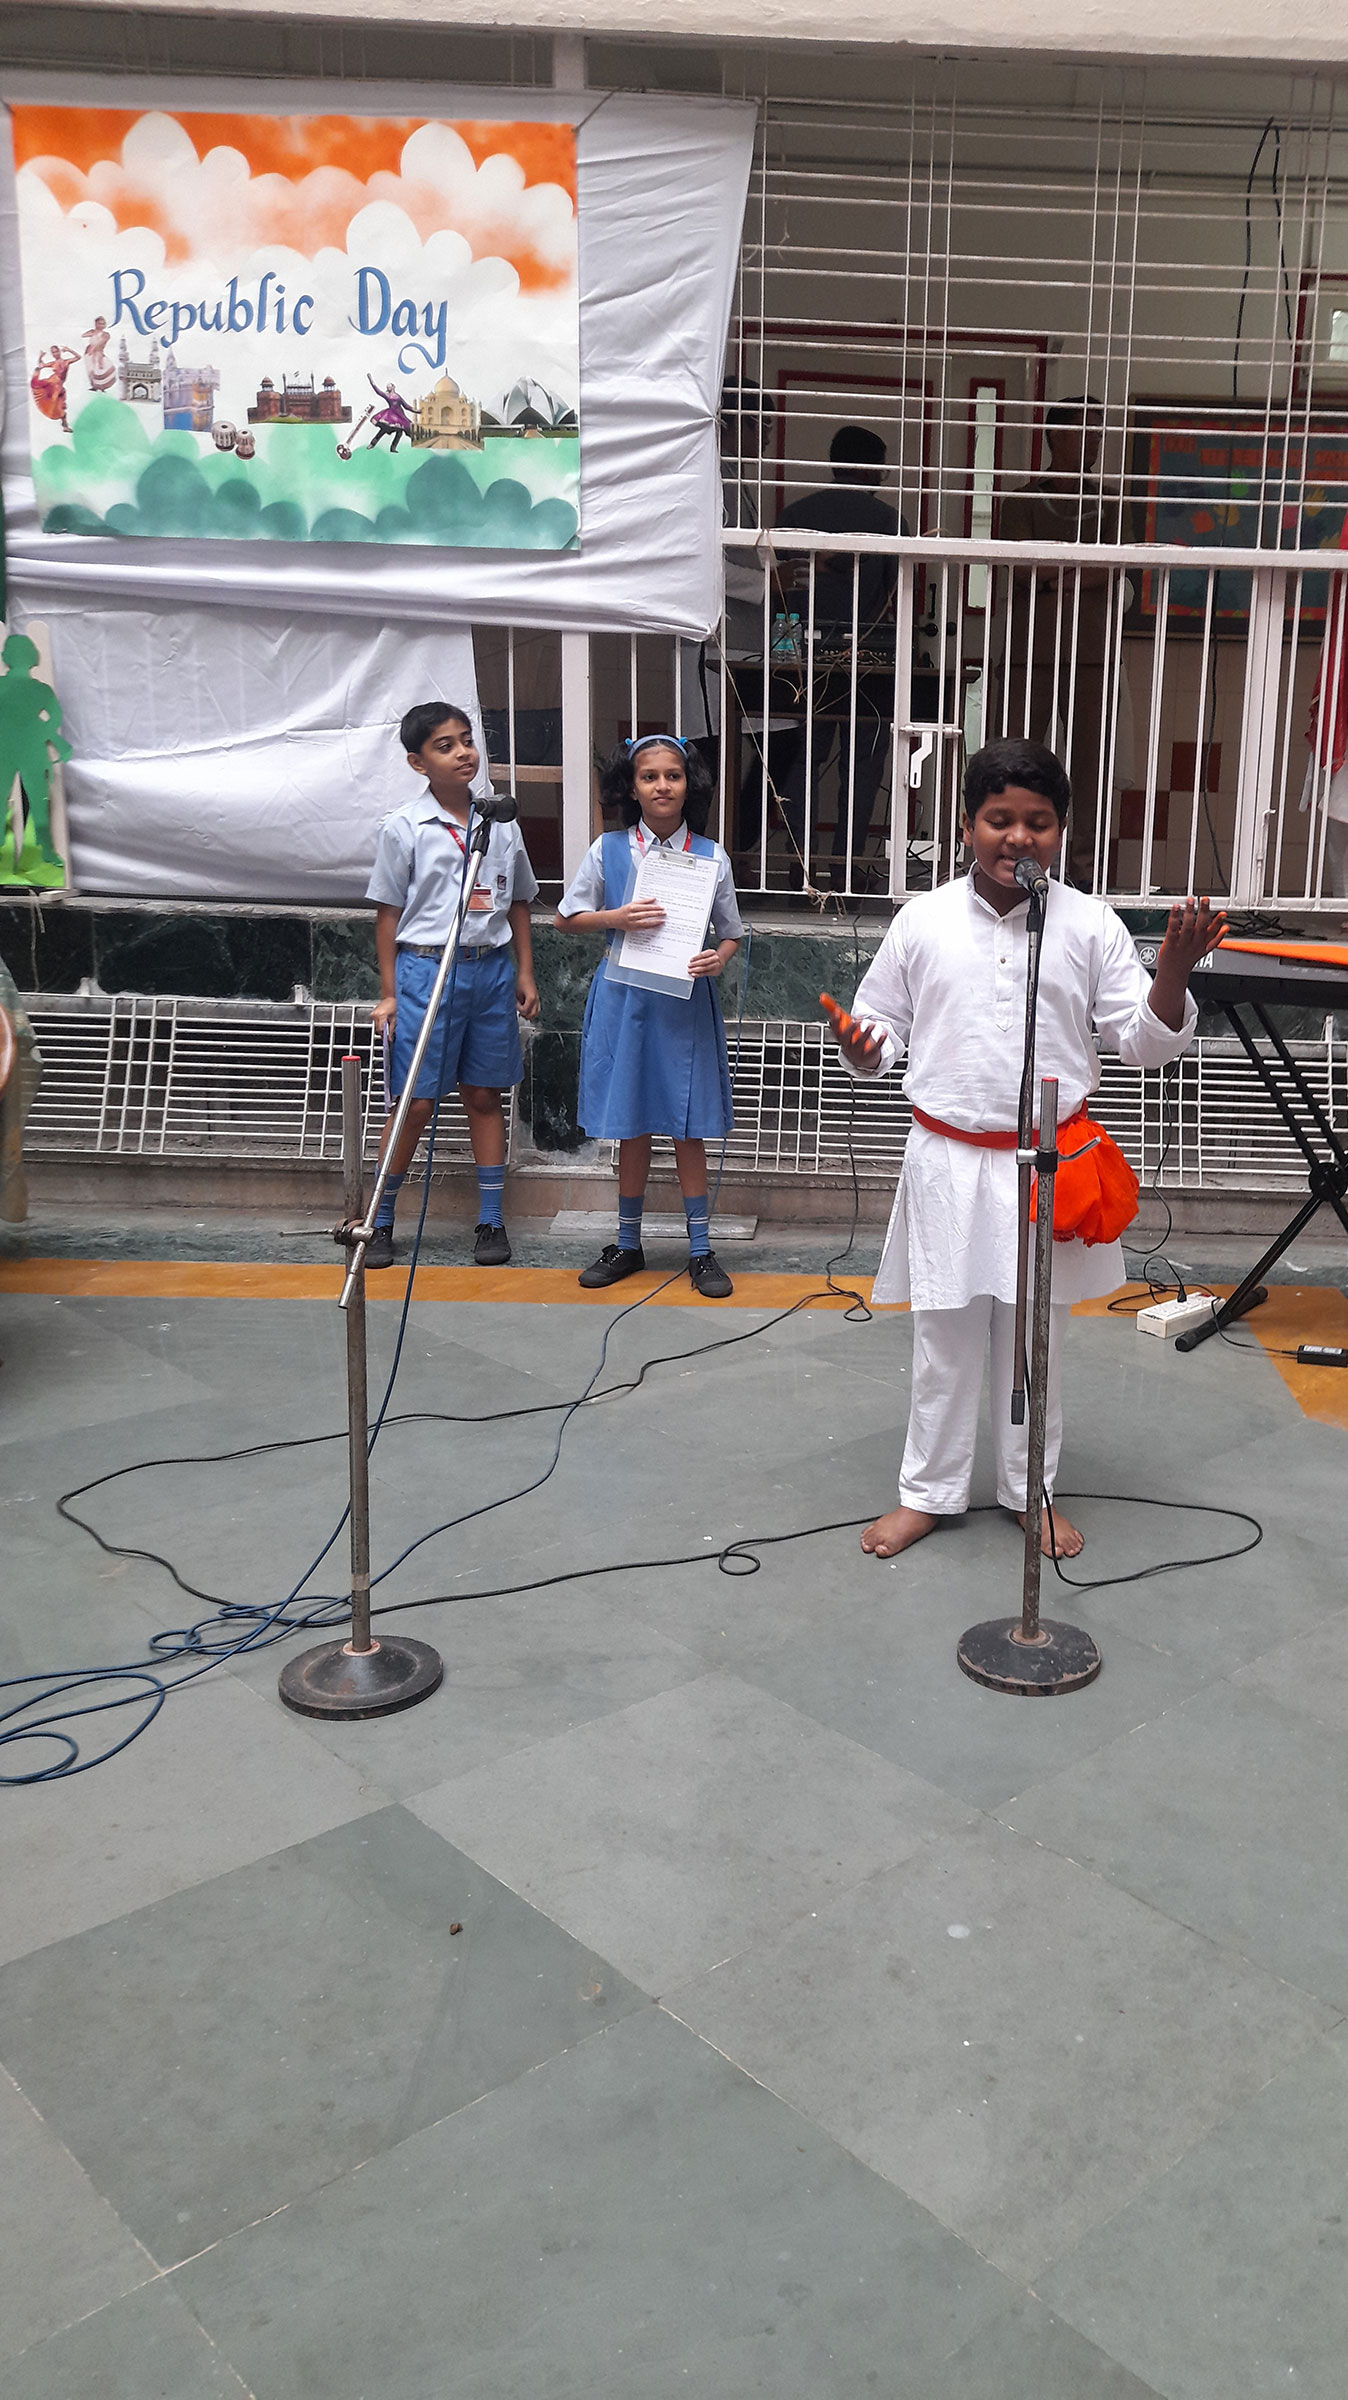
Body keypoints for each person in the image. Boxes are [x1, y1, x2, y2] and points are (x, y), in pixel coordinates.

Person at [829, 735, 1225, 1560]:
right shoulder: (923, 920)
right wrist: (864, 1047)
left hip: (1050, 1164)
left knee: (1036, 1342)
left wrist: (1172, 975)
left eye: (1038, 822)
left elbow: (1140, 1043)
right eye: (998, 819)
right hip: (947, 1160)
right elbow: (880, 1026)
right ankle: (927, 1494)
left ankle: (1030, 1493)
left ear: (1061, 830)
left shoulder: (1090, 923)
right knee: (944, 1341)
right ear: (966, 826)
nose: (1018, 837)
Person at [555, 734, 744, 1298]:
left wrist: (718, 959)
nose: (662, 786)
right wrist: (615, 917)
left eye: (673, 776)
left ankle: (701, 1249)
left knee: (688, 1125)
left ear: (690, 786)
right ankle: (627, 1242)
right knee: (632, 1122)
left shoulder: (711, 856)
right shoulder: (608, 849)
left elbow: (731, 933)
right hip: (625, 1000)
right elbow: (566, 918)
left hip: (685, 1005)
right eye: (649, 776)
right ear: (631, 788)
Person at [363, 702, 540, 1270]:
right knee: (415, 1102)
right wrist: (390, 992)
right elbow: (388, 914)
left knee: (484, 1095)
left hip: (489, 969)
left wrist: (524, 971)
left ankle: (490, 1219)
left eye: (467, 740)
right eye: (445, 746)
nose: (464, 752)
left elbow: (518, 901)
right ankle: (379, 1219)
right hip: (425, 970)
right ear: (418, 763)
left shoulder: (502, 823)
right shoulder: (404, 827)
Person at [773, 425, 911, 883]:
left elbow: (779, 590)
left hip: (799, 658)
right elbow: (896, 595)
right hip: (871, 659)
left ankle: (799, 867)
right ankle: (847, 870)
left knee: (801, 761)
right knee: (863, 767)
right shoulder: (890, 521)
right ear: (872, 469)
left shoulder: (794, 515)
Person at [998, 395, 1124, 889]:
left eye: (1099, 433)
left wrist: (1056, 576)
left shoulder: (1111, 502)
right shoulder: (1022, 501)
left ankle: (1086, 873)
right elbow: (1024, 566)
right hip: (1028, 654)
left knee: (1093, 769)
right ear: (1055, 435)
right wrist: (1077, 570)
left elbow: (1114, 567)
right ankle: (1006, 862)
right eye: (1083, 431)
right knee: (1014, 761)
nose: (1094, 442)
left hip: (1092, 654)